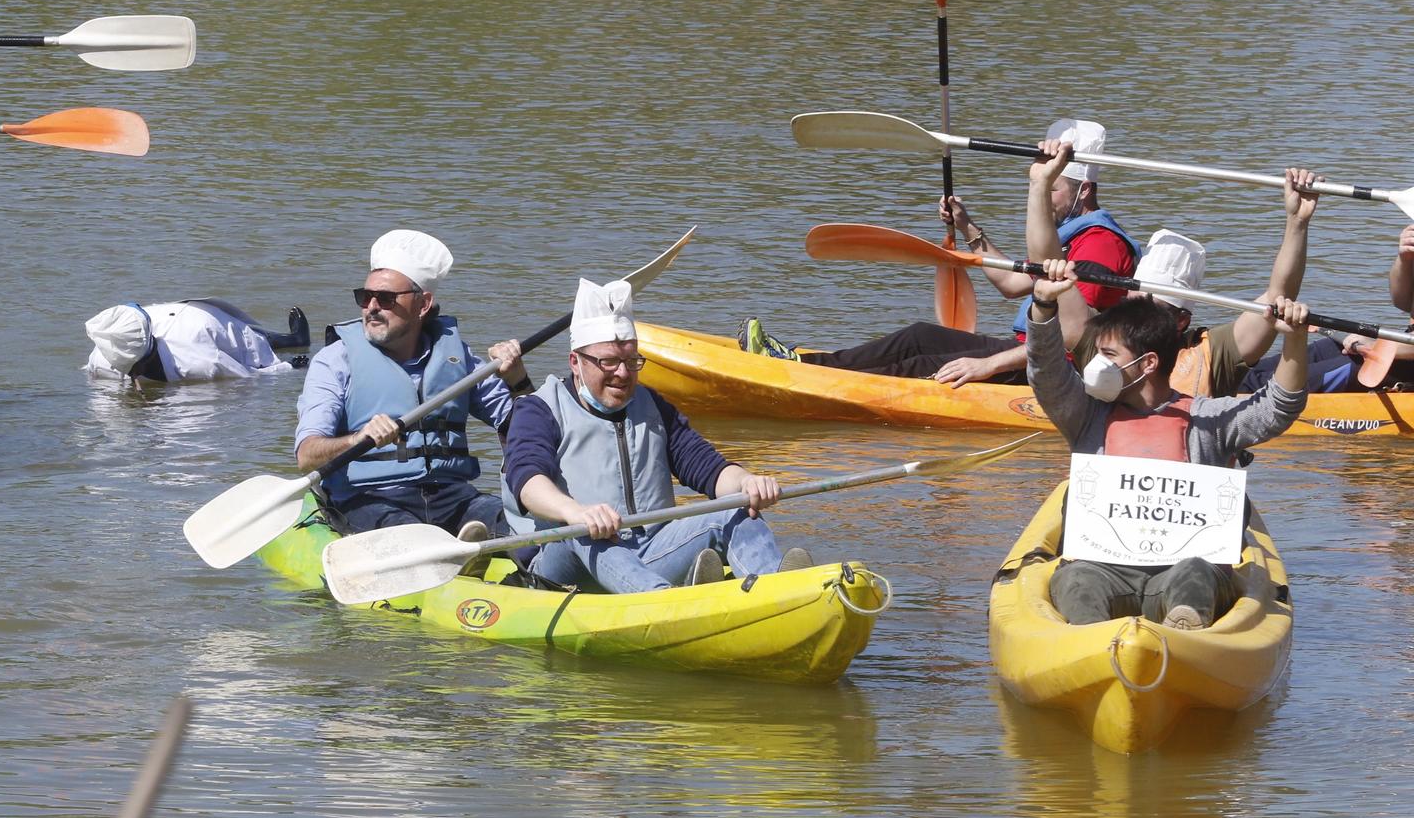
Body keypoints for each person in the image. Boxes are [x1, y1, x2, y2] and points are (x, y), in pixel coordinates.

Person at [1025, 256, 1309, 629]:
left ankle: (1183, 633)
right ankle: (1090, 645)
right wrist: (1044, 304)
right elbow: (1046, 372)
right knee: (1075, 579)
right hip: (1104, 571)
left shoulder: (1208, 418)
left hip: (1181, 575)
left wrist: (1295, 339)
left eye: (1108, 355)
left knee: (1195, 573)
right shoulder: (1085, 414)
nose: (1095, 364)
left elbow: (1277, 408)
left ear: (1148, 364)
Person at [743, 119, 1140, 385]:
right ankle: (806, 366)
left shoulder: (1101, 243)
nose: (1042, 195)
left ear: (1084, 190)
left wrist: (985, 365)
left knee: (921, 364)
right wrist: (968, 226)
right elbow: (1011, 283)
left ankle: (809, 377)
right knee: (919, 335)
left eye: (1051, 186)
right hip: (1028, 351)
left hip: (1054, 370)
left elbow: (1072, 337)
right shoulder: (1069, 232)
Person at [501, 277, 801, 592]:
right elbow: (528, 482)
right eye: (609, 362)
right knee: (582, 531)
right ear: (575, 362)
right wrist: (576, 512)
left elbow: (708, 469)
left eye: (632, 361)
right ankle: (665, 605)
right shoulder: (539, 409)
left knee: (737, 511)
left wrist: (746, 483)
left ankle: (780, 594)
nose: (622, 373)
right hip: (568, 562)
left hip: (650, 551)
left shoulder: (653, 406)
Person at [293, 229, 526, 538]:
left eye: (386, 298)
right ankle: (448, 556)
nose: (372, 307)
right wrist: (356, 439)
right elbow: (306, 455)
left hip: (453, 497)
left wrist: (517, 379)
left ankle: (504, 560)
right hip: (368, 499)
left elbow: (527, 429)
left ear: (424, 304)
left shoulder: (458, 359)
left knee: (521, 522)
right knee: (409, 534)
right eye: (365, 297)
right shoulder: (335, 362)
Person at [85, 300, 311, 382]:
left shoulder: (200, 361)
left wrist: (287, 367)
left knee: (252, 343)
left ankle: (295, 338)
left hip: (201, 321)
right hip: (170, 320)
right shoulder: (103, 356)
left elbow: (249, 373)